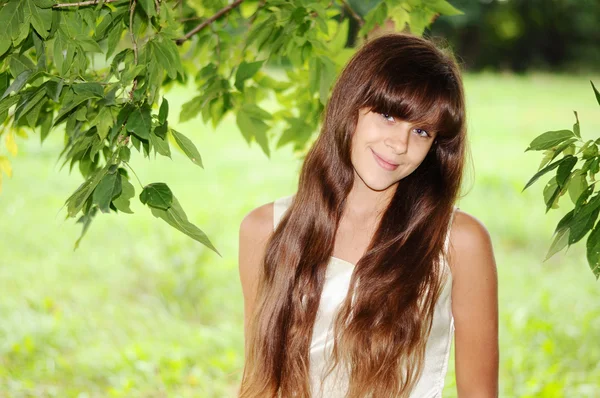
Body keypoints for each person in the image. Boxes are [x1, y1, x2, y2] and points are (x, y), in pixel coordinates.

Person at [238, 32, 498, 398]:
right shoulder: (265, 230)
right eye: (389, 116)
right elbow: (260, 382)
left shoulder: (457, 242)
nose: (400, 144)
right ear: (350, 106)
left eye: (421, 131)